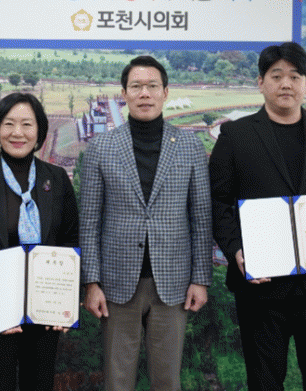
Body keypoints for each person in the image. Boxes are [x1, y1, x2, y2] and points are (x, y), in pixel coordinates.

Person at [209, 42, 306, 391]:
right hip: (261, 286)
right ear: (261, 83)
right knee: (264, 381)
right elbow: (217, 202)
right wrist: (235, 250)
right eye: (276, 76)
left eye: (294, 76)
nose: (286, 84)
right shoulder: (235, 136)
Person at [80, 55, 212, 391]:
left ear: (165, 92)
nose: (144, 93)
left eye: (152, 86)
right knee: (117, 380)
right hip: (116, 283)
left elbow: (200, 218)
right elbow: (90, 221)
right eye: (136, 86)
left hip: (173, 283)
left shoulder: (190, 146)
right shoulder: (101, 148)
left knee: (167, 380)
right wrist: (92, 282)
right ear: (124, 94)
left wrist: (200, 279)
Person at [0, 92, 78, 391]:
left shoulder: (57, 179)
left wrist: (66, 299)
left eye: (26, 124)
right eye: (9, 124)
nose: (17, 133)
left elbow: (70, 238)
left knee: (40, 383)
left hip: (46, 310)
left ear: (39, 132)